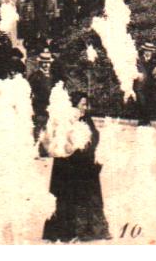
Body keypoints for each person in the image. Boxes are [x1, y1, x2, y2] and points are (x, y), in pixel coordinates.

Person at [41, 93, 112, 242]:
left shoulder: (85, 119)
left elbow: (94, 136)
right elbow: (56, 143)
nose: (85, 108)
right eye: (83, 104)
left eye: (86, 104)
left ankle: (91, 231)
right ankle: (69, 231)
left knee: (89, 197)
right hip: (70, 168)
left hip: (85, 166)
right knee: (69, 198)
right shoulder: (65, 120)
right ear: (74, 105)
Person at [28, 51, 55, 154]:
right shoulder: (35, 76)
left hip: (50, 108)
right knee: (39, 128)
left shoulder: (52, 77)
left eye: (47, 62)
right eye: (43, 62)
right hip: (39, 107)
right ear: (39, 63)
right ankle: (36, 150)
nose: (45, 65)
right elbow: (30, 93)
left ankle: (45, 150)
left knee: (49, 130)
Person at [133, 43, 156, 126]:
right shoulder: (138, 59)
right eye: (147, 50)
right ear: (144, 50)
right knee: (141, 102)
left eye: (150, 51)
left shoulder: (155, 61)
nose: (148, 52)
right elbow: (133, 70)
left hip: (150, 85)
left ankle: (147, 120)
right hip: (140, 85)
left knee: (148, 102)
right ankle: (142, 120)